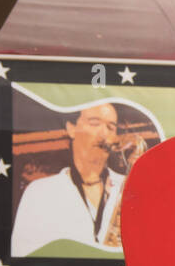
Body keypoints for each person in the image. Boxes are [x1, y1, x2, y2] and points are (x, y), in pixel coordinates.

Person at [11, 102, 126, 255]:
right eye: (94, 123)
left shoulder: (128, 186)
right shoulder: (40, 192)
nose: (104, 134)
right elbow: (22, 252)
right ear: (71, 128)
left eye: (111, 127)